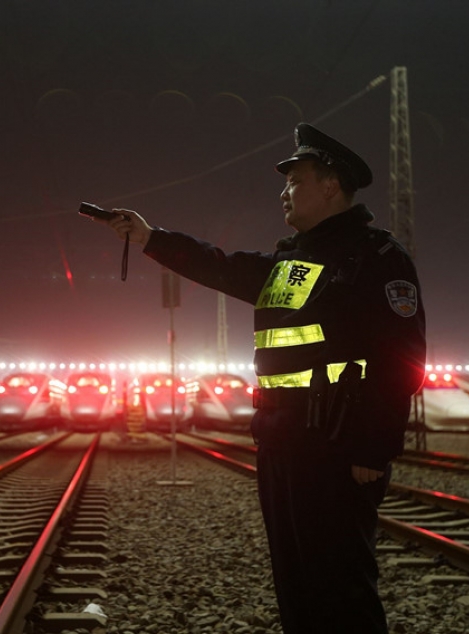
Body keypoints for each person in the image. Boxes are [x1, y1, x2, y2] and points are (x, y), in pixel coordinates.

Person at [95, 122, 426, 633]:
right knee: (296, 584)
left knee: (342, 585)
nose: (283, 192)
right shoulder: (293, 261)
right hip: (282, 443)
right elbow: (222, 267)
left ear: (330, 185)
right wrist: (150, 239)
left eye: (295, 181)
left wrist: (373, 449)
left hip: (338, 451)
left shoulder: (376, 258)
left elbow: (403, 359)